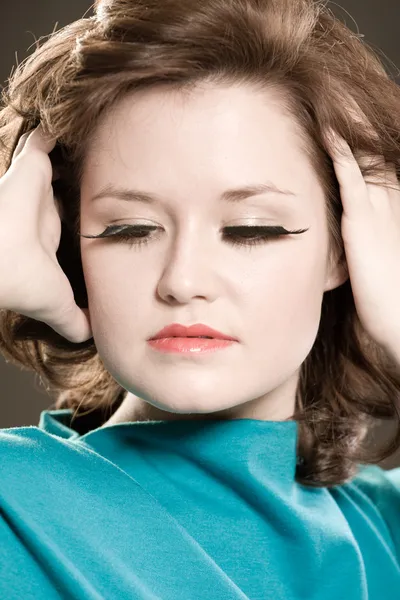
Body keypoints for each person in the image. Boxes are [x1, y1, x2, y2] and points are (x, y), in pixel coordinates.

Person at [0, 0, 399, 597]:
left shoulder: (384, 528)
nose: (183, 280)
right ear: (62, 243)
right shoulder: (14, 502)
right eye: (127, 229)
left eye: (250, 229)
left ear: (346, 249)